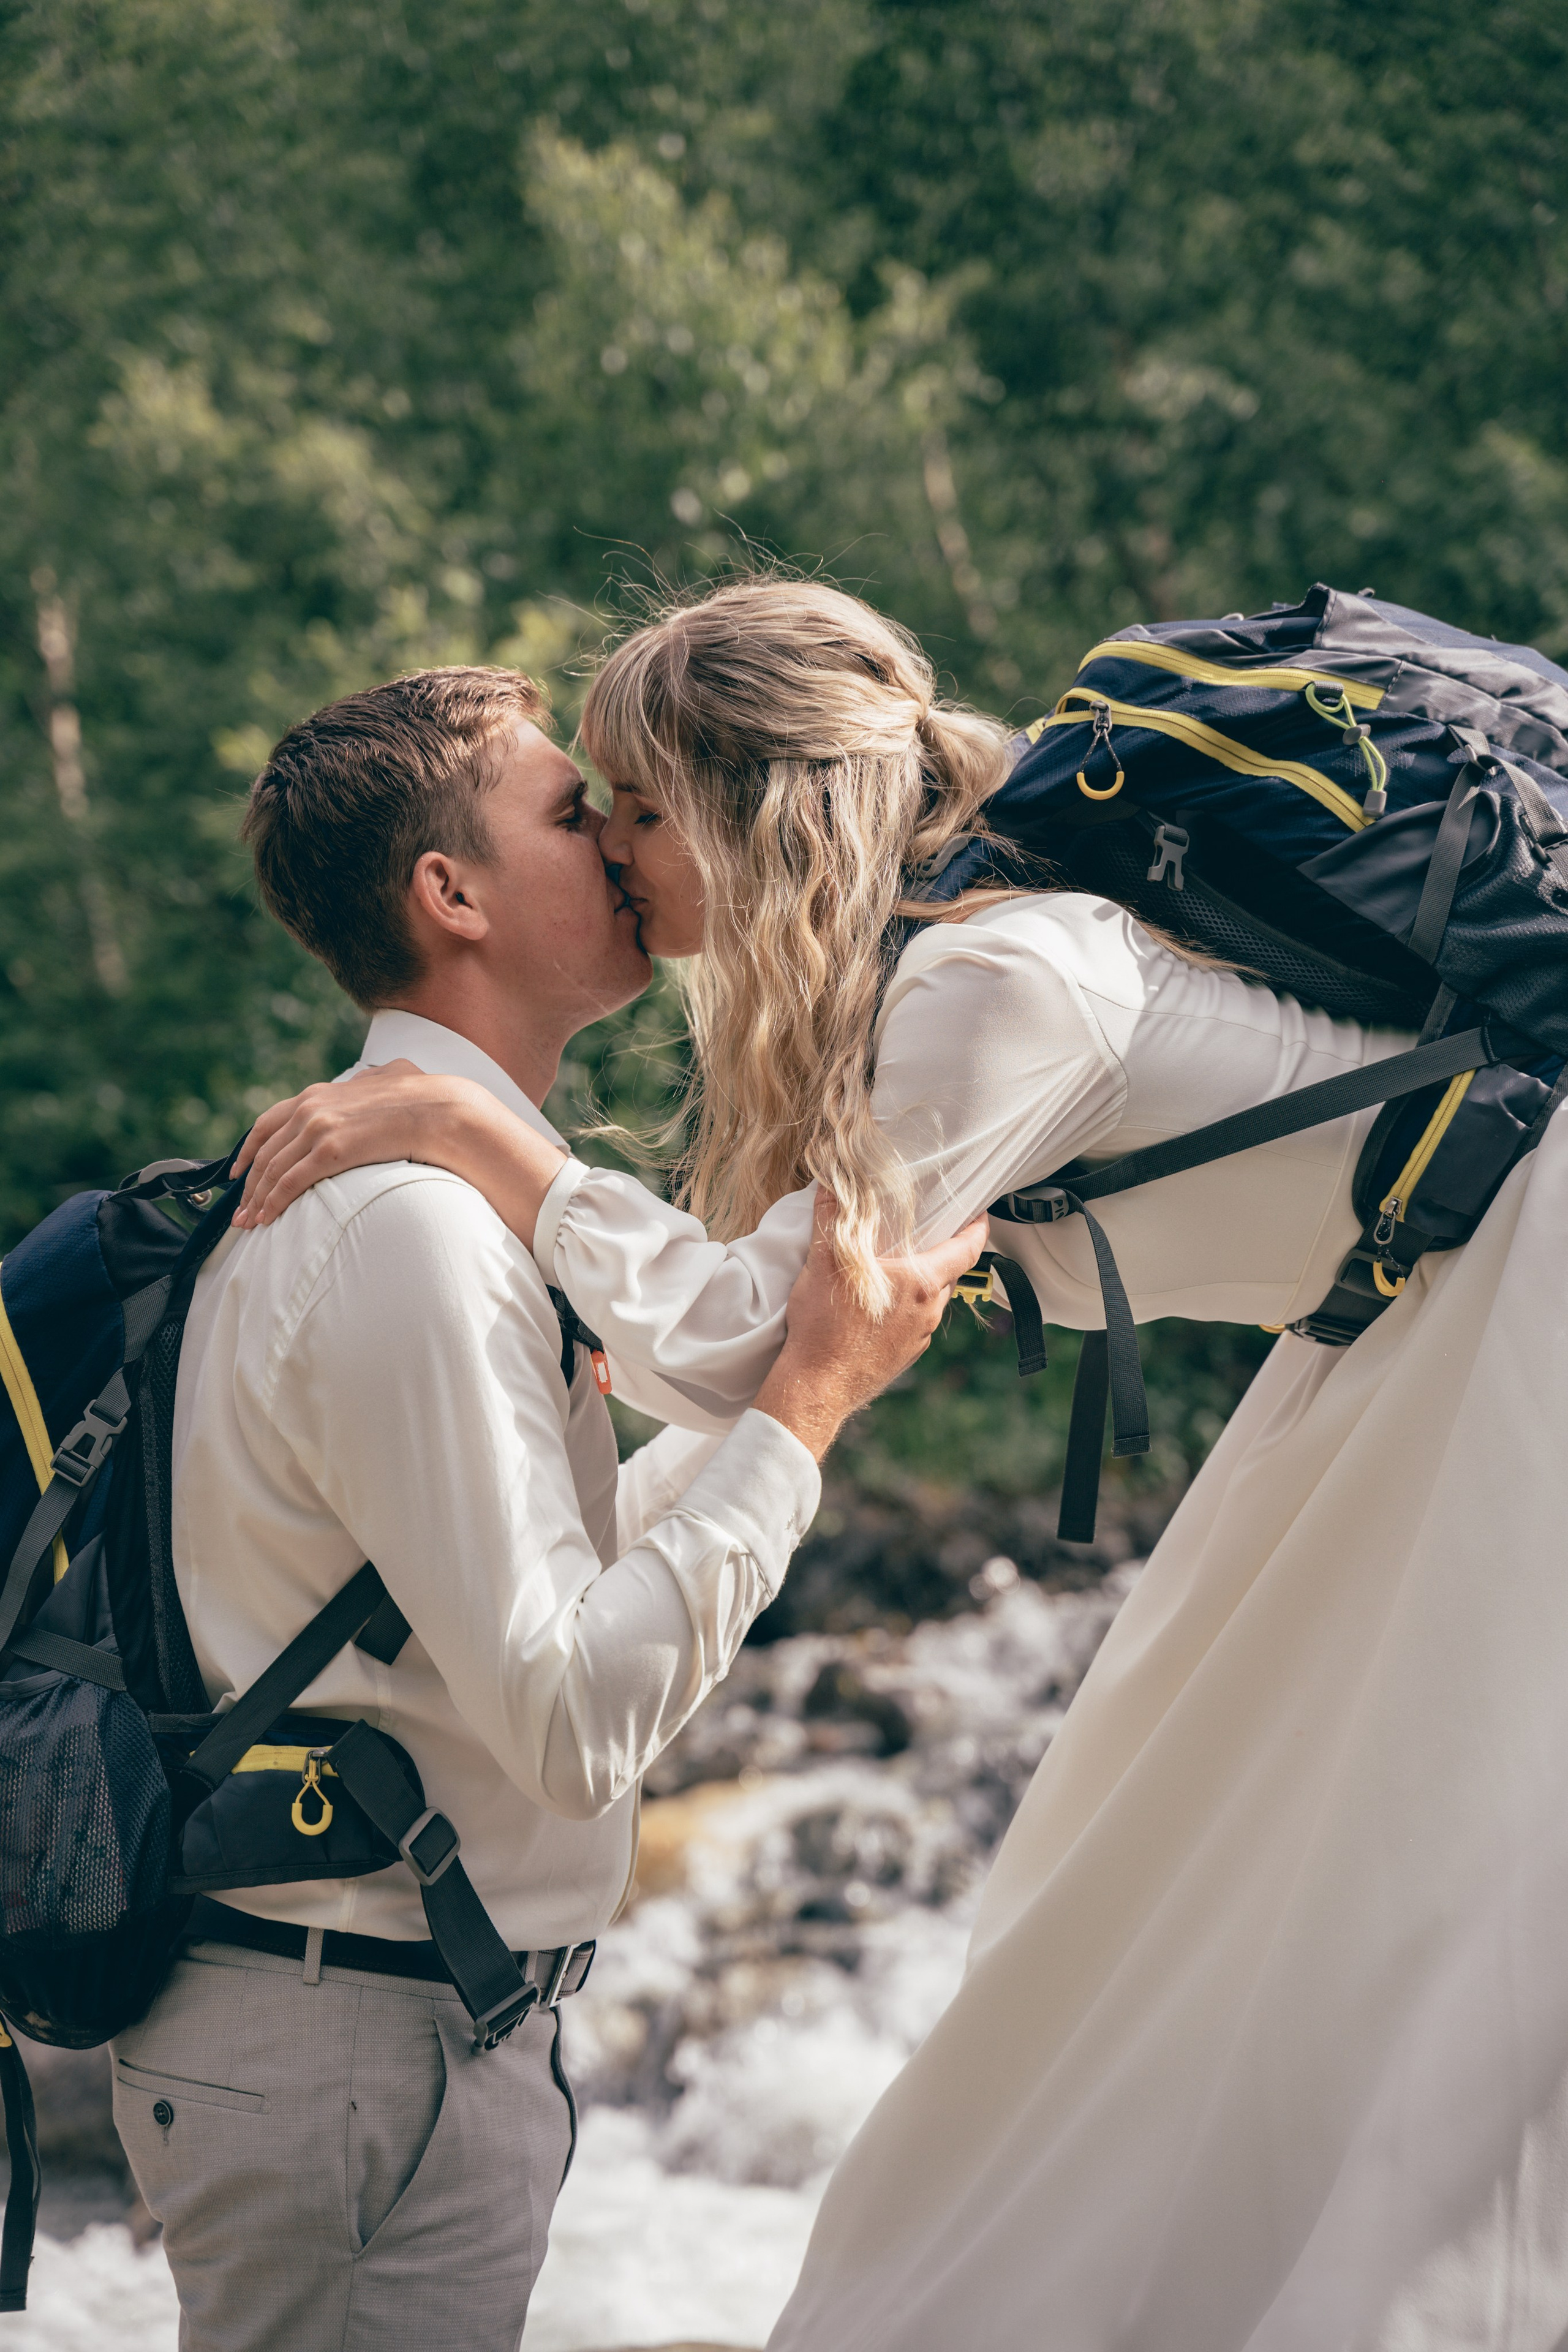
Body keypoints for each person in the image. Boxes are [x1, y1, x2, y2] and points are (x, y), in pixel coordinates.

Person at [235, 584, 1568, 2351]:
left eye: (632, 806)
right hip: (1413, 1322)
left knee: (1420, 1880)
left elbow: (737, 1339)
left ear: (747, 809)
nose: (620, 855)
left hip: (1511, 1296)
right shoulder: (959, 937)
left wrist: (490, 1141)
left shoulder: (1002, 972)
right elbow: (748, 1371)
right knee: (1144, 1848)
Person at [120, 662, 984, 2352]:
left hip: (374, 2021)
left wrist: (815, 1405)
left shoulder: (444, 1200)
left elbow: (539, 1584)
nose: (613, 838)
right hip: (360, 2041)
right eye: (564, 807)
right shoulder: (411, 1237)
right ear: (450, 895)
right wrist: (793, 1418)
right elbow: (575, 1716)